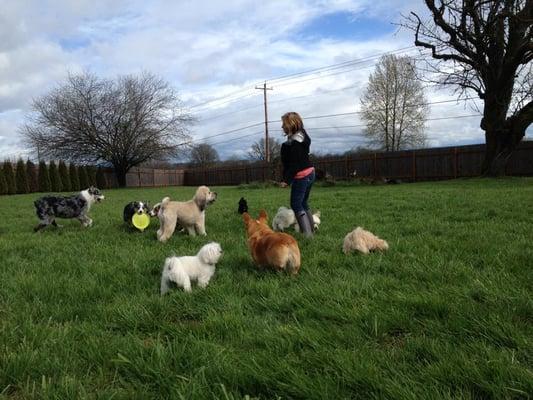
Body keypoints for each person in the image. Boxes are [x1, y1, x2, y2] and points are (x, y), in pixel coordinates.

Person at [279, 111, 316, 237]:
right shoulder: (302, 136)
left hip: (302, 176)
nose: (282, 127)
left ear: (291, 125)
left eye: (284, 124)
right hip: (311, 173)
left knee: (296, 204)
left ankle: (307, 235)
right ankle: (311, 230)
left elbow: (294, 164)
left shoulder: (294, 143)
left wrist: (286, 180)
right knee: (303, 203)